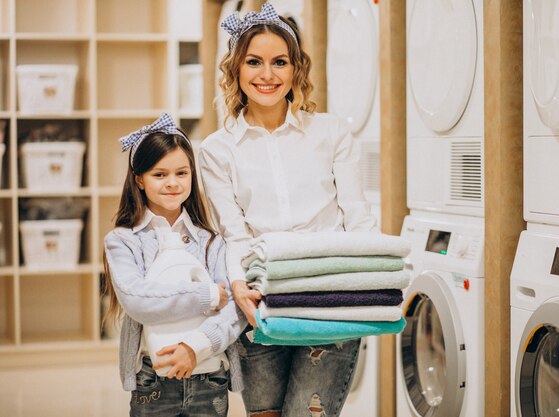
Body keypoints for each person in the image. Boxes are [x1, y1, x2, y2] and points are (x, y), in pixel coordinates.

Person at [199, 4, 377, 417]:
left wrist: (375, 288)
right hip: (260, 303)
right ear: (236, 70)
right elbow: (234, 234)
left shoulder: (332, 133)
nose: (267, 75)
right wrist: (240, 288)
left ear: (296, 69)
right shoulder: (215, 150)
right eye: (254, 62)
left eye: (280, 62)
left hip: (329, 305)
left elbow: (358, 218)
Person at [103, 113, 246, 417]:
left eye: (182, 173)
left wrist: (196, 346)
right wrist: (206, 297)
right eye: (159, 174)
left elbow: (235, 306)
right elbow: (138, 299)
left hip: (210, 376)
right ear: (139, 180)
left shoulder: (212, 241)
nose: (172, 183)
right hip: (154, 380)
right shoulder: (123, 241)